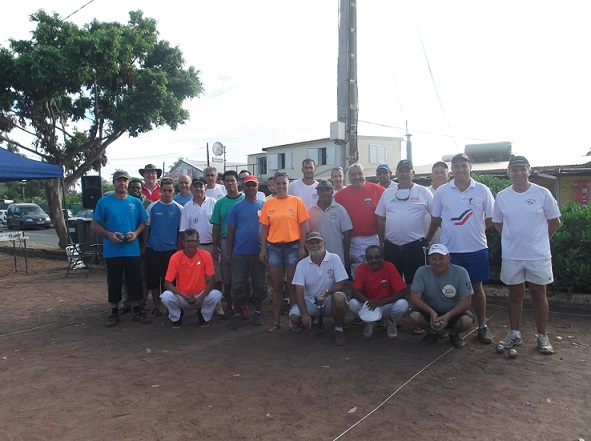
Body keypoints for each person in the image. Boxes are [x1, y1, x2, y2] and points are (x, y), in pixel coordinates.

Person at [492, 155, 561, 354]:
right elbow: (497, 222)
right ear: (508, 173)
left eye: (523, 169)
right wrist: (511, 238)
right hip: (512, 255)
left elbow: (554, 222)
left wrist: (540, 240)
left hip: (538, 255)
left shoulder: (543, 193)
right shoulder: (503, 196)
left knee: (539, 295)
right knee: (515, 295)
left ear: (529, 171)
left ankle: (542, 336)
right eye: (515, 170)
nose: (519, 173)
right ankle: (515, 334)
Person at [426, 153, 495, 344]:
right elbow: (436, 219)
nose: (460, 169)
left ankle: (482, 326)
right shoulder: (442, 192)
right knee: (450, 291)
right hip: (451, 251)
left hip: (477, 248)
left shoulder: (482, 190)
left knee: (477, 288)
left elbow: (491, 219)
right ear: (452, 170)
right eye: (456, 166)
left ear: (470, 167)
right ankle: (451, 330)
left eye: (464, 166)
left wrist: (474, 230)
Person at [91, 170, 151, 327]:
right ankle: (114, 313)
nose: (122, 183)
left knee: (135, 281)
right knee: (114, 281)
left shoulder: (135, 202)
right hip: (112, 251)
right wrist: (109, 235)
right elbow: (94, 224)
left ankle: (137, 311)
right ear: (114, 183)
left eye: (125, 181)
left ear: (128, 183)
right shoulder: (104, 202)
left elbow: (143, 223)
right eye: (119, 181)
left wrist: (135, 233)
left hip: (131, 250)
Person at [259, 171, 310, 332]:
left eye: (284, 183)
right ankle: (276, 321)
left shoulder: (296, 201)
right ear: (273, 185)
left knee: (293, 285)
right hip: (273, 248)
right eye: (278, 183)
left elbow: (303, 226)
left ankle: (294, 320)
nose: (281, 186)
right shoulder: (269, 204)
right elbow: (264, 228)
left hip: (292, 248)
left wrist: (302, 247)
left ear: (289, 185)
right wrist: (262, 249)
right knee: (276, 286)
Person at [376, 159, 433, 285]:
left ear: (413, 173)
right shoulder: (387, 193)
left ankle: (414, 305)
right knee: (392, 282)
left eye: (407, 171)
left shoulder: (423, 191)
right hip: (392, 246)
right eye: (401, 171)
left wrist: (428, 239)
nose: (404, 174)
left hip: (414, 246)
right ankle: (397, 305)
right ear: (396, 173)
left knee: (415, 283)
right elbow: (380, 218)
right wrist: (382, 241)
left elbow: (436, 217)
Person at [289, 231, 349, 346]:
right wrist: (305, 313)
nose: (315, 245)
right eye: (311, 243)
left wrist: (327, 292)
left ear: (324, 243)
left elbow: (341, 282)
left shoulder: (334, 258)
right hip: (310, 302)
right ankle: (314, 318)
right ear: (306, 246)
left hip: (329, 300)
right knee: (295, 317)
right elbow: (299, 290)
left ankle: (339, 329)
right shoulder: (302, 264)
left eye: (318, 242)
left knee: (339, 298)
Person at [409, 244, 474, 348]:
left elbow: (466, 301)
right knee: (414, 316)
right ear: (429, 260)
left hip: (453, 311)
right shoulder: (421, 271)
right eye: (434, 259)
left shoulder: (461, 272)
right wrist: (431, 312)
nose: (437, 262)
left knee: (467, 321)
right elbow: (414, 297)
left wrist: (448, 315)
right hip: (431, 310)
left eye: (441, 258)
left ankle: (453, 334)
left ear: (448, 259)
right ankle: (432, 332)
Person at [226, 175, 268, 329]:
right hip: (239, 253)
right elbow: (230, 232)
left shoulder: (264, 206)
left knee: (260, 285)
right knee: (237, 285)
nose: (251, 188)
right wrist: (229, 254)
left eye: (253, 185)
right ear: (243, 187)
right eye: (248, 185)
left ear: (257, 187)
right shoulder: (236, 207)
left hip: (259, 253)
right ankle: (237, 314)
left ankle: (257, 312)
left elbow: (268, 230)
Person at [160, 229, 223, 329]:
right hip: (182, 295)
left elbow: (212, 281)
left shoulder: (205, 255)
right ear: (183, 243)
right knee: (166, 296)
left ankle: (203, 315)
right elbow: (167, 283)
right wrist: (184, 296)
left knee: (217, 295)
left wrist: (201, 297)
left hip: (200, 294)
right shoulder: (175, 257)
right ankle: (177, 317)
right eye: (187, 241)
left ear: (198, 242)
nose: (190, 244)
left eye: (193, 241)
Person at [334, 163, 385, 279]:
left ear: (365, 175)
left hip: (373, 238)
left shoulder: (379, 191)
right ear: (348, 177)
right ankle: (359, 297)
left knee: (375, 271)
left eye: (360, 173)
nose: (357, 177)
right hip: (352, 241)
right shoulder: (340, 195)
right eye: (353, 175)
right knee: (357, 274)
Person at [143, 178, 183, 317]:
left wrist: (178, 249)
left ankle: (168, 306)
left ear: (174, 191)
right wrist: (145, 246)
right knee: (153, 280)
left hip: (171, 251)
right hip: (153, 249)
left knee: (169, 281)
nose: (167, 193)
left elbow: (180, 231)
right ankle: (156, 306)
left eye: (170, 190)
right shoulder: (152, 207)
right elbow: (147, 228)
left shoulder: (179, 208)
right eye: (164, 190)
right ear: (160, 191)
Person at [350, 245, 408, 338]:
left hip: (386, 305)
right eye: (370, 258)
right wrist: (368, 302)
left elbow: (401, 292)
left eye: (377, 257)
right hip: (369, 305)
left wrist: (380, 302)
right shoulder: (361, 268)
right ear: (366, 259)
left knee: (402, 304)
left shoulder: (389, 266)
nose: (374, 260)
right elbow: (355, 291)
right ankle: (369, 321)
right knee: (353, 303)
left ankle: (391, 322)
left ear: (382, 257)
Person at [210, 170, 245, 318]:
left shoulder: (246, 199)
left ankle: (243, 306)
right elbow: (216, 226)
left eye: (232, 180)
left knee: (244, 276)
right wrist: (214, 247)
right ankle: (229, 305)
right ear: (223, 183)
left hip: (243, 242)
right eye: (227, 180)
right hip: (225, 242)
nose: (230, 183)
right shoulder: (220, 204)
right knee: (228, 276)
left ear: (238, 182)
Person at [179, 177, 221, 287]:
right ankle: (201, 302)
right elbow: (184, 230)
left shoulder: (213, 202)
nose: (198, 189)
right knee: (198, 275)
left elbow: (219, 225)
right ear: (191, 189)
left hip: (213, 246)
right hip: (196, 247)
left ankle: (216, 303)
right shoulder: (187, 207)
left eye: (201, 186)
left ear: (205, 188)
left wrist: (217, 246)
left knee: (216, 276)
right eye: (195, 186)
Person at [308, 179, 352, 265]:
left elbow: (347, 233)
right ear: (317, 192)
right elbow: (307, 233)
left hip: (336, 256)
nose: (324, 193)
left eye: (327, 190)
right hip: (316, 256)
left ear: (332, 192)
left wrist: (346, 254)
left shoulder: (340, 210)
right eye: (321, 190)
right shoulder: (311, 210)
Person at [425, 161, 451, 244]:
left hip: (449, 243)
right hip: (427, 242)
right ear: (431, 176)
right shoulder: (424, 193)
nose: (439, 175)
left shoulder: (455, 194)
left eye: (442, 172)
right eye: (436, 173)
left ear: (449, 175)